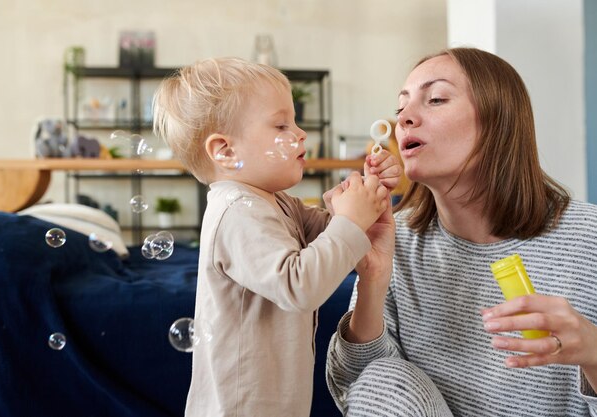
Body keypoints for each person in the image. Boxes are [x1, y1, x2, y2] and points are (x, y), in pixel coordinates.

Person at [326, 47, 597, 416]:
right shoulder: (395, 240)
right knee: (384, 380)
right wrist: (373, 280)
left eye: (435, 99)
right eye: (400, 108)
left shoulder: (588, 239)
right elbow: (358, 386)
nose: (404, 118)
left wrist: (593, 352)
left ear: (497, 121)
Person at [151, 57, 399, 417]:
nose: (300, 133)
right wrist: (350, 220)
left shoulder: (274, 202)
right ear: (226, 151)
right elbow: (299, 284)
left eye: (295, 121)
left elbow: (330, 236)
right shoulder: (236, 211)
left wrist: (363, 194)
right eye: (281, 124)